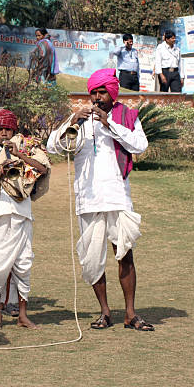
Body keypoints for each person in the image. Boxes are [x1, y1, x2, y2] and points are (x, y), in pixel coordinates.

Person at [46, 68, 155, 332]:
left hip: (118, 197)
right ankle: (105, 312)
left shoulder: (127, 116)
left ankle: (130, 314)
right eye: (93, 92)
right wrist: (72, 120)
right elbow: (52, 146)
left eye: (102, 91)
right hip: (88, 198)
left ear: (112, 92)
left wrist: (109, 124)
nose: (97, 97)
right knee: (93, 259)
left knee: (125, 254)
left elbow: (140, 146)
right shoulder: (80, 120)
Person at [0, 109, 48, 330]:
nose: (4, 133)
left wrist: (19, 155)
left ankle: (23, 315)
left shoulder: (24, 151)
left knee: (24, 264)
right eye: (0, 129)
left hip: (23, 215)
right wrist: (1, 172)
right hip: (0, 216)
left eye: (9, 129)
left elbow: (42, 170)